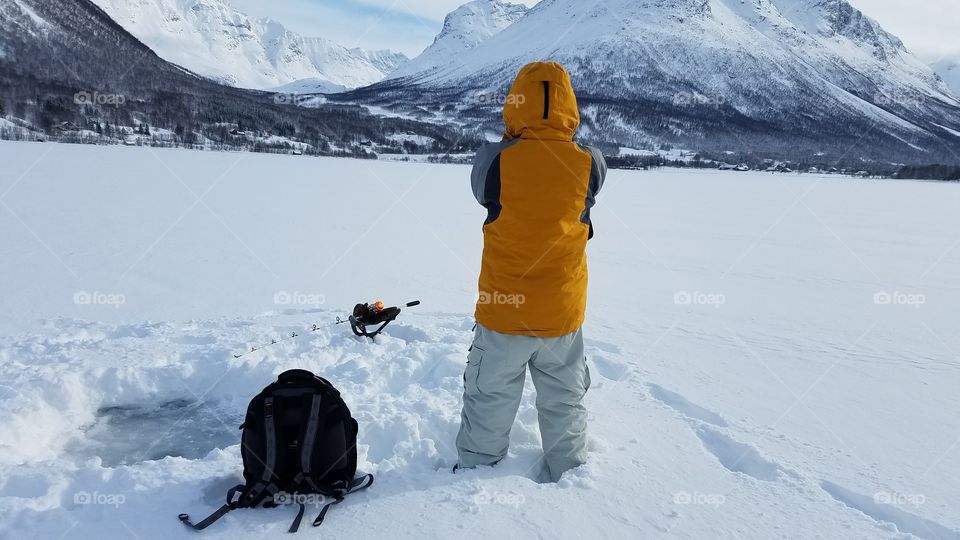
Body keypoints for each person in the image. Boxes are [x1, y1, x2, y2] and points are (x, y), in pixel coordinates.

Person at [456, 61, 607, 482]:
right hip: (562, 313)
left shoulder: (493, 162)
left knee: (489, 398)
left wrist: (513, 140)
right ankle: (572, 474)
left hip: (503, 312)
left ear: (515, 102)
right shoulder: (589, 163)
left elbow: (482, 191)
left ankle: (472, 476)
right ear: (569, 105)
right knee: (565, 402)